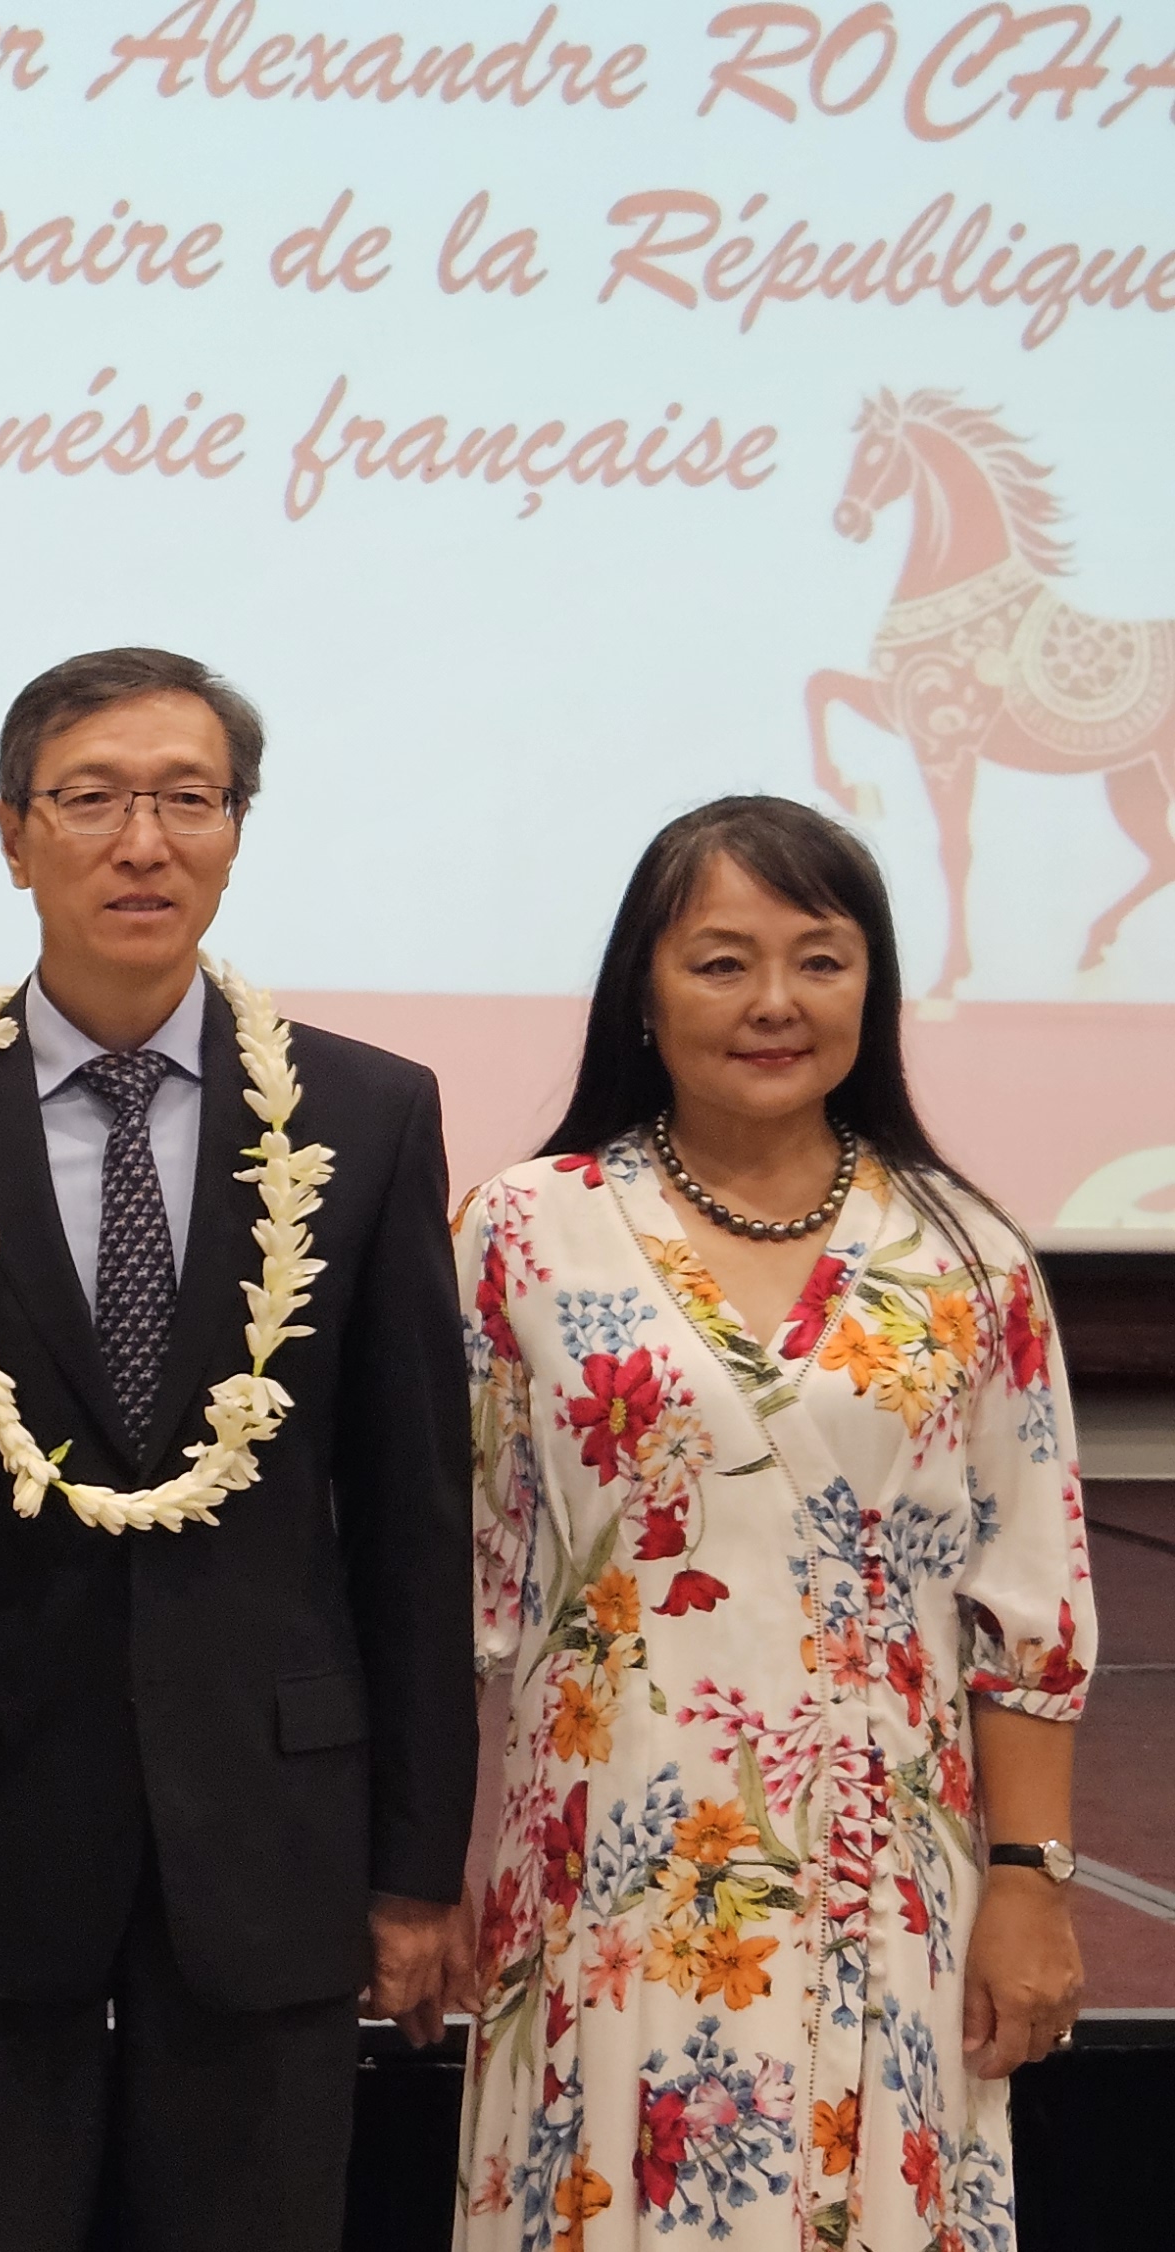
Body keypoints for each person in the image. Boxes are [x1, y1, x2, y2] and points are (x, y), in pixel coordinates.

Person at [0, 648, 478, 2252]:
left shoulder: (369, 1119)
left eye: (188, 799)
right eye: (91, 800)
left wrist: (420, 1865)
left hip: (276, 1831)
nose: (141, 842)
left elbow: (418, 1522)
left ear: (237, 831)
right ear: (15, 835)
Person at [454, 796, 1088, 2250]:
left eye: (821, 959)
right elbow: (457, 1574)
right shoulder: (524, 1229)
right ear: (643, 990)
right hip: (608, 1864)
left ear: (874, 986)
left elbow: (1034, 1603)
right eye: (722, 961)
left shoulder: (967, 1252)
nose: (775, 1004)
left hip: (894, 1877)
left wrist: (1031, 1886)